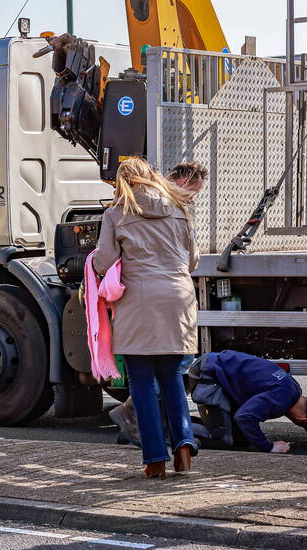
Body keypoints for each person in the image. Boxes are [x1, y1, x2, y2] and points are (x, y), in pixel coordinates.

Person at [93, 158, 198, 479]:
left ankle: (155, 459)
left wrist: (95, 261)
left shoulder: (115, 214)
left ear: (122, 183)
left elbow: (104, 261)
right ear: (151, 177)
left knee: (141, 381)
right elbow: (192, 260)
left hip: (139, 301)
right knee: (171, 378)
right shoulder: (179, 209)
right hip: (179, 300)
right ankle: (183, 444)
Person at [188, 350, 307, 452]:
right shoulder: (281, 399)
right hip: (207, 375)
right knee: (223, 438)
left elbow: (296, 414)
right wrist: (269, 447)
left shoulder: (294, 389)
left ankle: (181, 422)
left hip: (215, 366)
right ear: (302, 418)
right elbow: (244, 417)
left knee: (241, 440)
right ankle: (170, 425)